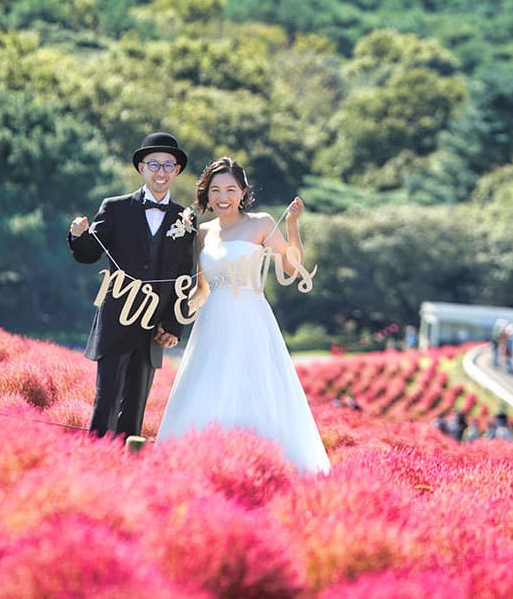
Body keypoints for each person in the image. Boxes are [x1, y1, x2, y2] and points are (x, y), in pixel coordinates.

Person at [155, 156, 330, 473]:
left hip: (250, 318)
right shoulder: (201, 233)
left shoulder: (261, 222)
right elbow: (201, 289)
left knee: (253, 385)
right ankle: (206, 463)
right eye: (215, 190)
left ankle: (261, 463)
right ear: (206, 193)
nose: (223, 197)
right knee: (208, 387)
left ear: (243, 192)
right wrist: (171, 321)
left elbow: (292, 267)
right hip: (212, 322)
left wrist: (292, 224)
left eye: (230, 189)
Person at [68, 132, 196, 439]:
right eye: (154, 164)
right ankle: (96, 458)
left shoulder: (186, 219)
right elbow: (89, 253)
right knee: (106, 402)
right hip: (117, 319)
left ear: (177, 170)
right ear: (142, 168)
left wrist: (174, 324)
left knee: (135, 407)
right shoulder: (115, 208)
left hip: (154, 326)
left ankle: (129, 462)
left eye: (168, 165)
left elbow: (185, 277)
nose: (161, 171)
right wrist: (77, 236)